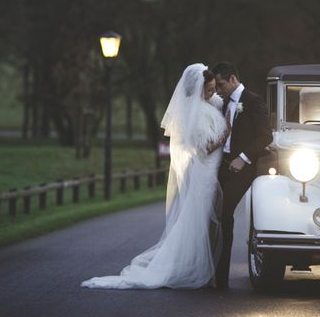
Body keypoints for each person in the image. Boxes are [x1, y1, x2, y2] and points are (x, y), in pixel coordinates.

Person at [80, 63, 229, 289]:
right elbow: (203, 149)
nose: (212, 93)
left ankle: (205, 268)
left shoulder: (209, 104)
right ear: (197, 89)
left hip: (211, 170)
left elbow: (223, 101)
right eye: (208, 90)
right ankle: (198, 268)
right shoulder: (193, 113)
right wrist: (225, 133)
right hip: (203, 172)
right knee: (199, 222)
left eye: (212, 89)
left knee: (203, 222)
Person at [212, 62, 273, 290]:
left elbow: (265, 136)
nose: (218, 90)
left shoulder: (253, 100)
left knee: (225, 212)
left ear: (233, 80)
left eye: (220, 84)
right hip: (222, 166)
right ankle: (215, 274)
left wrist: (244, 158)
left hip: (244, 169)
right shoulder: (223, 103)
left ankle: (221, 280)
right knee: (214, 215)